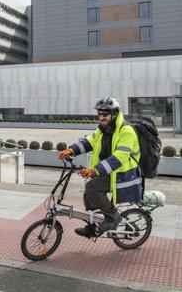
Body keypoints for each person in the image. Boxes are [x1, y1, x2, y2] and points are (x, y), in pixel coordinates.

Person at [58, 97, 142, 237]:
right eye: (99, 114)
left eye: (105, 114)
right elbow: (90, 142)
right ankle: (92, 224)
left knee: (92, 188)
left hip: (122, 173)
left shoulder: (126, 131)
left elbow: (119, 157)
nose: (101, 117)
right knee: (89, 191)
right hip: (108, 170)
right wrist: (72, 150)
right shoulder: (103, 129)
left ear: (114, 114)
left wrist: (95, 170)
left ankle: (113, 217)